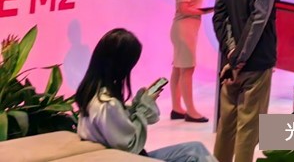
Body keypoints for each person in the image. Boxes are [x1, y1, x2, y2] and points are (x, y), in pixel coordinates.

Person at [75, 28, 215, 162]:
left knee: (195, 149)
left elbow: (118, 128)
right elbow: (130, 145)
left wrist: (140, 105)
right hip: (126, 158)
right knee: (195, 154)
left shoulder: (93, 93)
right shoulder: (106, 104)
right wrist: (143, 108)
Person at [212, 0, 282, 162]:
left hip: (230, 64)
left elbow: (219, 16)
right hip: (255, 63)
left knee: (226, 125)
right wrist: (240, 58)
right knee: (248, 127)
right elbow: (257, 23)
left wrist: (231, 52)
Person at [169, 0, 211, 123]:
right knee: (187, 68)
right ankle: (191, 111)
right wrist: (205, 11)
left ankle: (177, 108)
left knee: (179, 68)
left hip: (187, 29)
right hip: (184, 29)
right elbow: (183, 8)